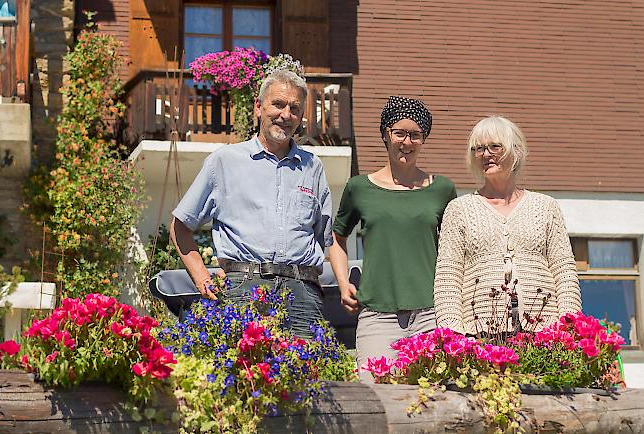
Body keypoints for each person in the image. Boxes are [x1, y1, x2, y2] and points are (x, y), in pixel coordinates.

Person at [170, 70, 333, 338]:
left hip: (303, 292)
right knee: (247, 377)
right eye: (278, 104)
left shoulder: (313, 167)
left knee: (308, 376)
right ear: (259, 107)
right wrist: (202, 277)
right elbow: (179, 226)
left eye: (294, 108)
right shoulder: (224, 162)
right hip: (243, 289)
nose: (286, 115)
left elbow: (325, 239)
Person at [329, 96, 457, 381]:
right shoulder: (359, 187)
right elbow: (337, 239)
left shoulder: (442, 189)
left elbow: (455, 252)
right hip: (377, 316)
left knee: (431, 404)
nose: (407, 142)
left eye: (415, 135)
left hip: (431, 315)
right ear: (386, 135)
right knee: (376, 403)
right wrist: (342, 283)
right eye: (399, 133)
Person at [433, 116, 582, 336]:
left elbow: (564, 272)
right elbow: (448, 278)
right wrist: (453, 335)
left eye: (495, 146)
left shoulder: (546, 206)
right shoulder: (459, 210)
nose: (485, 154)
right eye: (479, 148)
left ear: (516, 151)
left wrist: (567, 327)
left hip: (544, 332)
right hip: (480, 335)